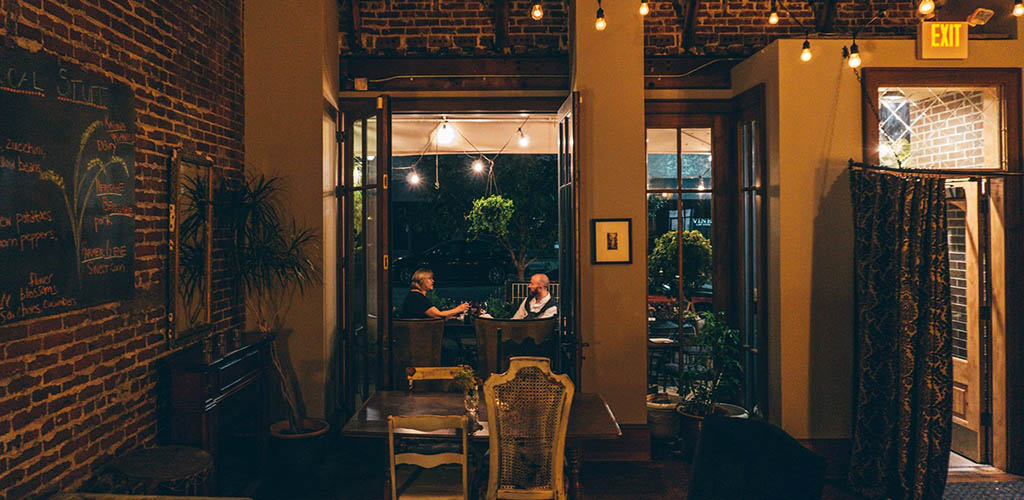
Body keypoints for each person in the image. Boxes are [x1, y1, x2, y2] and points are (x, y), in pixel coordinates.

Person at [401, 268, 469, 319]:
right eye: (430, 278)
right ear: (422, 280)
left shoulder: (414, 295)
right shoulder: (416, 297)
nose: (433, 281)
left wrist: (447, 316)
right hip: (418, 332)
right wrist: (458, 309)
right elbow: (438, 314)